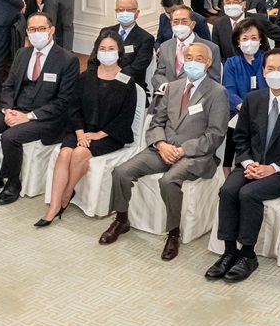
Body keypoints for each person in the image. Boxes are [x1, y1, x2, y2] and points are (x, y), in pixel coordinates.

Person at [98, 42, 229, 261]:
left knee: (169, 181)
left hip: (194, 155)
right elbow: (156, 122)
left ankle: (173, 233)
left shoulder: (217, 92)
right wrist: (160, 144)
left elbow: (215, 134)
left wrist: (182, 150)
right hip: (162, 149)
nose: (192, 62)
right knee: (120, 171)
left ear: (208, 63)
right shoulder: (173, 87)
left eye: (198, 59)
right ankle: (121, 220)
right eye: (189, 57)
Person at [205, 49, 280, 283]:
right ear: (263, 71)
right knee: (228, 190)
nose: (275, 73)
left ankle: (248, 255)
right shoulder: (253, 99)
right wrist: (248, 163)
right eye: (270, 68)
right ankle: (229, 252)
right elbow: (241, 136)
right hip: (251, 164)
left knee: (248, 194)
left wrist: (273, 167)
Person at [0, 13, 79, 204]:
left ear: (51, 30)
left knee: (10, 137)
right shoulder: (22, 54)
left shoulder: (67, 60)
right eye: (32, 30)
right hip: (16, 108)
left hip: (46, 117)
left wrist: (29, 117)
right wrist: (8, 109)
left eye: (41, 29)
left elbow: (63, 101)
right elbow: (9, 86)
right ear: (27, 32)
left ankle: (12, 183)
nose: (37, 33)